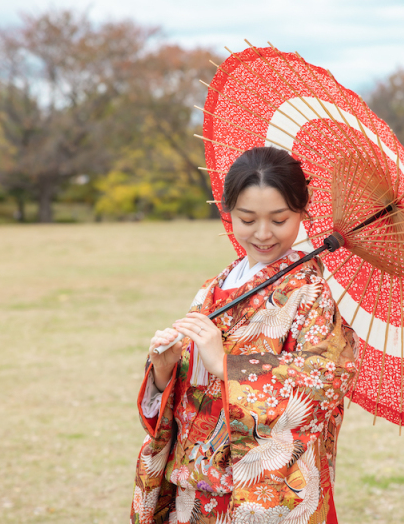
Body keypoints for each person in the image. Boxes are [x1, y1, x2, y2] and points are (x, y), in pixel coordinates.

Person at [131, 147, 360, 524]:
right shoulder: (212, 289)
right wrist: (163, 371)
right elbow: (186, 389)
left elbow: (326, 380)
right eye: (247, 218)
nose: (263, 233)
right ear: (228, 212)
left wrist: (226, 364)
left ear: (302, 212)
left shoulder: (309, 293)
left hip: (254, 490)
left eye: (280, 219)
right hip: (190, 487)